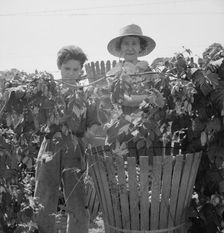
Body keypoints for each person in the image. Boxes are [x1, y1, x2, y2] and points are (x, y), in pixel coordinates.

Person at [34, 45, 101, 233]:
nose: (71, 73)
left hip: (75, 147)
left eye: (75, 69)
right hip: (50, 146)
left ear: (81, 71)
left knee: (77, 197)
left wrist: (86, 135)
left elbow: (94, 121)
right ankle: (42, 230)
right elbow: (39, 123)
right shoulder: (49, 93)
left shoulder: (85, 93)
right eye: (66, 68)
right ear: (59, 68)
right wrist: (53, 121)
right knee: (45, 194)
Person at [106, 24, 156, 114]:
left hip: (147, 118)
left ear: (140, 47)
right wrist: (149, 98)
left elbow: (157, 96)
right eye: (126, 44)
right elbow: (123, 99)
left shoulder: (148, 71)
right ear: (120, 47)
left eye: (134, 43)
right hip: (124, 120)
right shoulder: (115, 73)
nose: (130, 48)